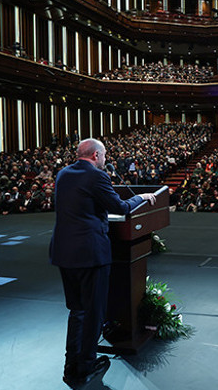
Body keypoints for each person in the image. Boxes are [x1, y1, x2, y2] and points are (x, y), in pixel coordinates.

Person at [50, 138, 157, 386]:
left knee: (77, 311)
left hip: (64, 253)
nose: (106, 159)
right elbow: (120, 206)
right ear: (96, 155)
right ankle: (86, 366)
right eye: (105, 155)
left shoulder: (63, 174)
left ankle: (71, 365)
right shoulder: (97, 176)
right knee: (94, 313)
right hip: (90, 254)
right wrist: (141, 197)